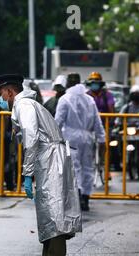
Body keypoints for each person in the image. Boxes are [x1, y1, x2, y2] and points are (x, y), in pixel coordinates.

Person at [0, 74, 82, 256]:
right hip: (50, 160)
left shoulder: (24, 105)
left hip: (51, 160)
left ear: (9, 92)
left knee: (54, 215)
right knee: (48, 216)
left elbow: (31, 138)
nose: (0, 99)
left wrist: (26, 173)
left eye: (1, 94)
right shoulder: (27, 104)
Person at [55, 73, 106, 212]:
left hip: (70, 137)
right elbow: (97, 121)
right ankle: (85, 198)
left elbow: (58, 121)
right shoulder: (89, 100)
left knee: (73, 168)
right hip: (87, 137)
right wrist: (102, 138)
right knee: (87, 168)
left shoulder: (65, 99)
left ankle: (76, 197)